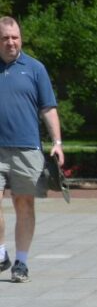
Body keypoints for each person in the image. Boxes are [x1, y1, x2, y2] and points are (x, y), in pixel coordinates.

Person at [0, 16, 65, 283]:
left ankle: (21, 263)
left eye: (15, 37)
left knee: (23, 204)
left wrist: (57, 143)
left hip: (27, 149)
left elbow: (48, 108)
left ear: (21, 38)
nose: (11, 42)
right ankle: (1, 253)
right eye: (5, 38)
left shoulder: (35, 68)